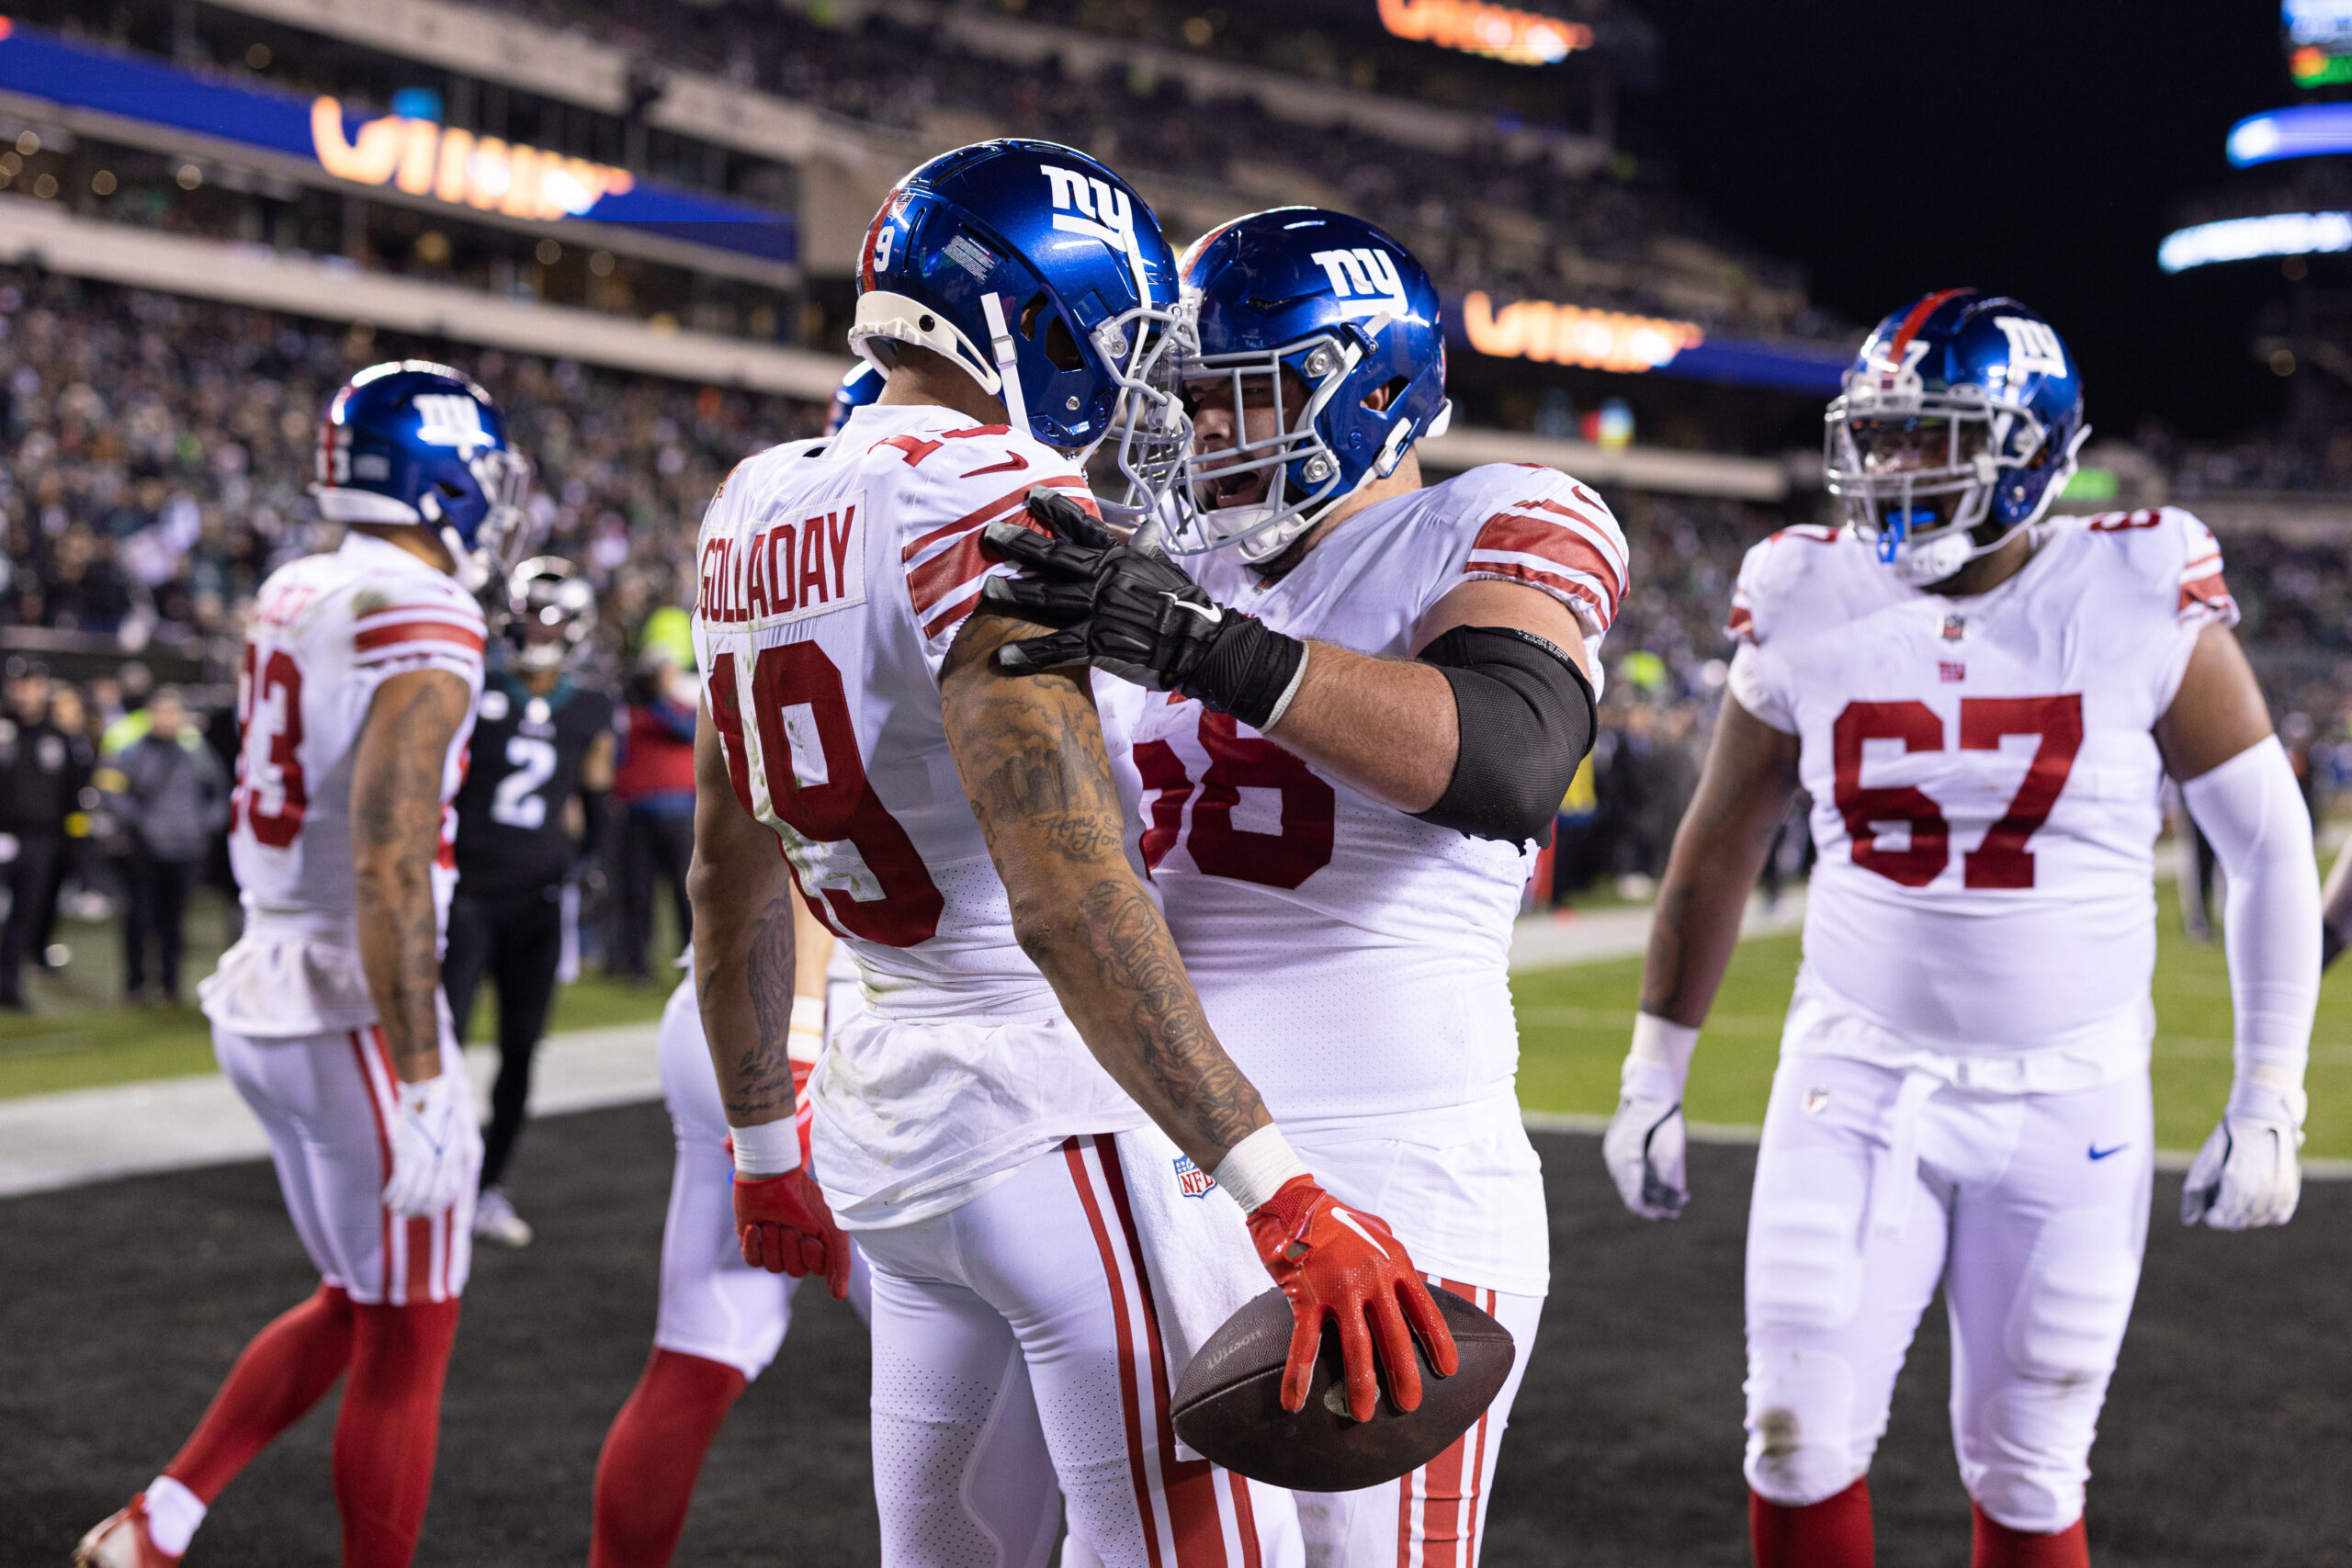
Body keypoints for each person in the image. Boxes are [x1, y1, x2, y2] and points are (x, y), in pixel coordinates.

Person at [688, 141, 1451, 1567]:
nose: (1132, 381)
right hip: (1047, 1113)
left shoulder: (753, 500)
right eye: (1119, 338)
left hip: (885, 1127)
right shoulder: (988, 495)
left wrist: (759, 1138)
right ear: (1037, 321)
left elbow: (727, 866)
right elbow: (1068, 893)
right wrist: (1281, 1189)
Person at [1600, 291, 2316, 1568]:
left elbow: (2265, 845)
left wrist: (2272, 1092)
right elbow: (1719, 839)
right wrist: (1654, 1067)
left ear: (2032, 447)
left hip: (2073, 1094)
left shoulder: (2137, 583)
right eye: (1879, 439)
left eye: (1932, 439)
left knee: (2032, 1472)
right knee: (1794, 1438)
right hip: (1856, 1073)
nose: (1892, 471)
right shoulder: (1805, 586)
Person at [986, 207, 1618, 1565]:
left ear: (1370, 389)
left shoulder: (1496, 513)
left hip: (1395, 1169)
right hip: (1166, 1149)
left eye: (1235, 400)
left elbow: (1509, 760)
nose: (1200, 435)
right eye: (1185, 403)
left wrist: (1215, 648)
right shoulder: (1171, 564)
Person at [76, 360, 537, 1568]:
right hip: (351, 998)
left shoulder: (299, 582)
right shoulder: (425, 610)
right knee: (411, 1334)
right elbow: (388, 862)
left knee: (357, 1293)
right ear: (439, 477)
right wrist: (429, 1069)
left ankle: (159, 1519)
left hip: (266, 980)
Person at [586, 354, 889, 1568]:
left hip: (721, 1009)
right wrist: (800, 1074)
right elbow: (808, 849)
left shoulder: (760, 572)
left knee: (697, 1345)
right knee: (990, 1381)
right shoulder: (941, 570)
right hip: (839, 1026)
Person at [444, 556, 616, 1247]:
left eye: (548, 616)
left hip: (540, 900)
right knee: (444, 1040)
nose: (534, 628)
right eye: (526, 614)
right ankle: (435, 1179)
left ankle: (489, 1185)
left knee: (520, 1048)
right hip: (464, 893)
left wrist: (589, 867)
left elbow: (597, 797)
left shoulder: (591, 706)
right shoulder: (471, 686)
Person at [97, 686, 230, 1005]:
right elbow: (109, 789)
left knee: (175, 921)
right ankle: (136, 984)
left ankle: (170, 985)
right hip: (145, 849)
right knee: (139, 916)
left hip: (186, 849)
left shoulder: (195, 753)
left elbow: (219, 793)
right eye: (161, 712)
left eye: (173, 712)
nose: (167, 719)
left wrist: (203, 827)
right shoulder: (130, 752)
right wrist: (139, 822)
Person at [608, 636, 698, 982]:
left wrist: (659, 701)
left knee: (685, 890)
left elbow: (687, 730)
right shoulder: (630, 708)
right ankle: (636, 964)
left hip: (677, 811)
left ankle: (692, 957)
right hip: (635, 811)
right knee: (637, 892)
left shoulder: (682, 702)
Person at [0, 665, 85, 1009]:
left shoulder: (58, 737)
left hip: (42, 840)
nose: (24, 693)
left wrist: (72, 843)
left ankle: (9, 987)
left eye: (31, 685)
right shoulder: (4, 731)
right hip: (4, 834)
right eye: (18, 686)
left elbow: (72, 795)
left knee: (28, 915)